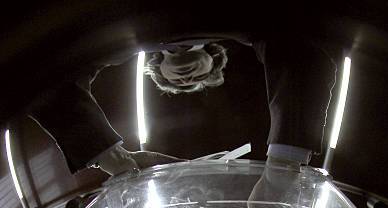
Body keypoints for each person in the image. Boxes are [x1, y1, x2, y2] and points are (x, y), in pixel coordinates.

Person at [29, 31, 337, 178]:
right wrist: (282, 167)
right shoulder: (245, 23)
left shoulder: (122, 34)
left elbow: (47, 78)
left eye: (187, 82)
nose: (187, 78)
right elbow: (302, 51)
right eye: (191, 81)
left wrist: (115, 159)